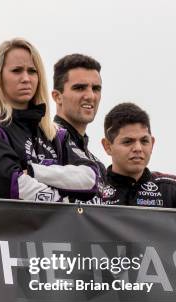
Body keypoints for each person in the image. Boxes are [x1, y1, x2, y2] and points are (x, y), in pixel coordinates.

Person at [0, 38, 99, 202]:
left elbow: (90, 179)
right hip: (12, 227)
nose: (26, 78)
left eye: (32, 71)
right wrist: (64, 200)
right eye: (16, 70)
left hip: (61, 227)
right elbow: (13, 186)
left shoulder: (56, 133)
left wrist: (34, 171)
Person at [100, 102, 176, 209]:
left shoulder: (171, 189)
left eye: (144, 141)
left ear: (152, 143)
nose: (138, 148)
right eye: (128, 142)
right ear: (107, 146)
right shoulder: (93, 189)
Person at [52, 54, 107, 203]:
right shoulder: (43, 141)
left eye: (96, 88)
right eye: (80, 88)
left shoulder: (99, 165)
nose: (90, 96)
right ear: (57, 97)